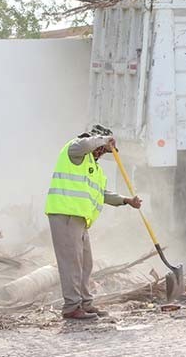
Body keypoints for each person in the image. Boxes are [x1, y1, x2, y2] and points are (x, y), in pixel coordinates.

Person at [45, 125, 142, 320]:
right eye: (100, 147)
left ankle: (86, 304)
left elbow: (102, 194)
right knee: (71, 263)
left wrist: (126, 201)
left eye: (102, 150)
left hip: (79, 220)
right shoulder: (75, 150)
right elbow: (87, 143)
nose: (100, 152)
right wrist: (104, 140)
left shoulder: (94, 168)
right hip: (64, 215)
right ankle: (72, 307)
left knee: (85, 264)